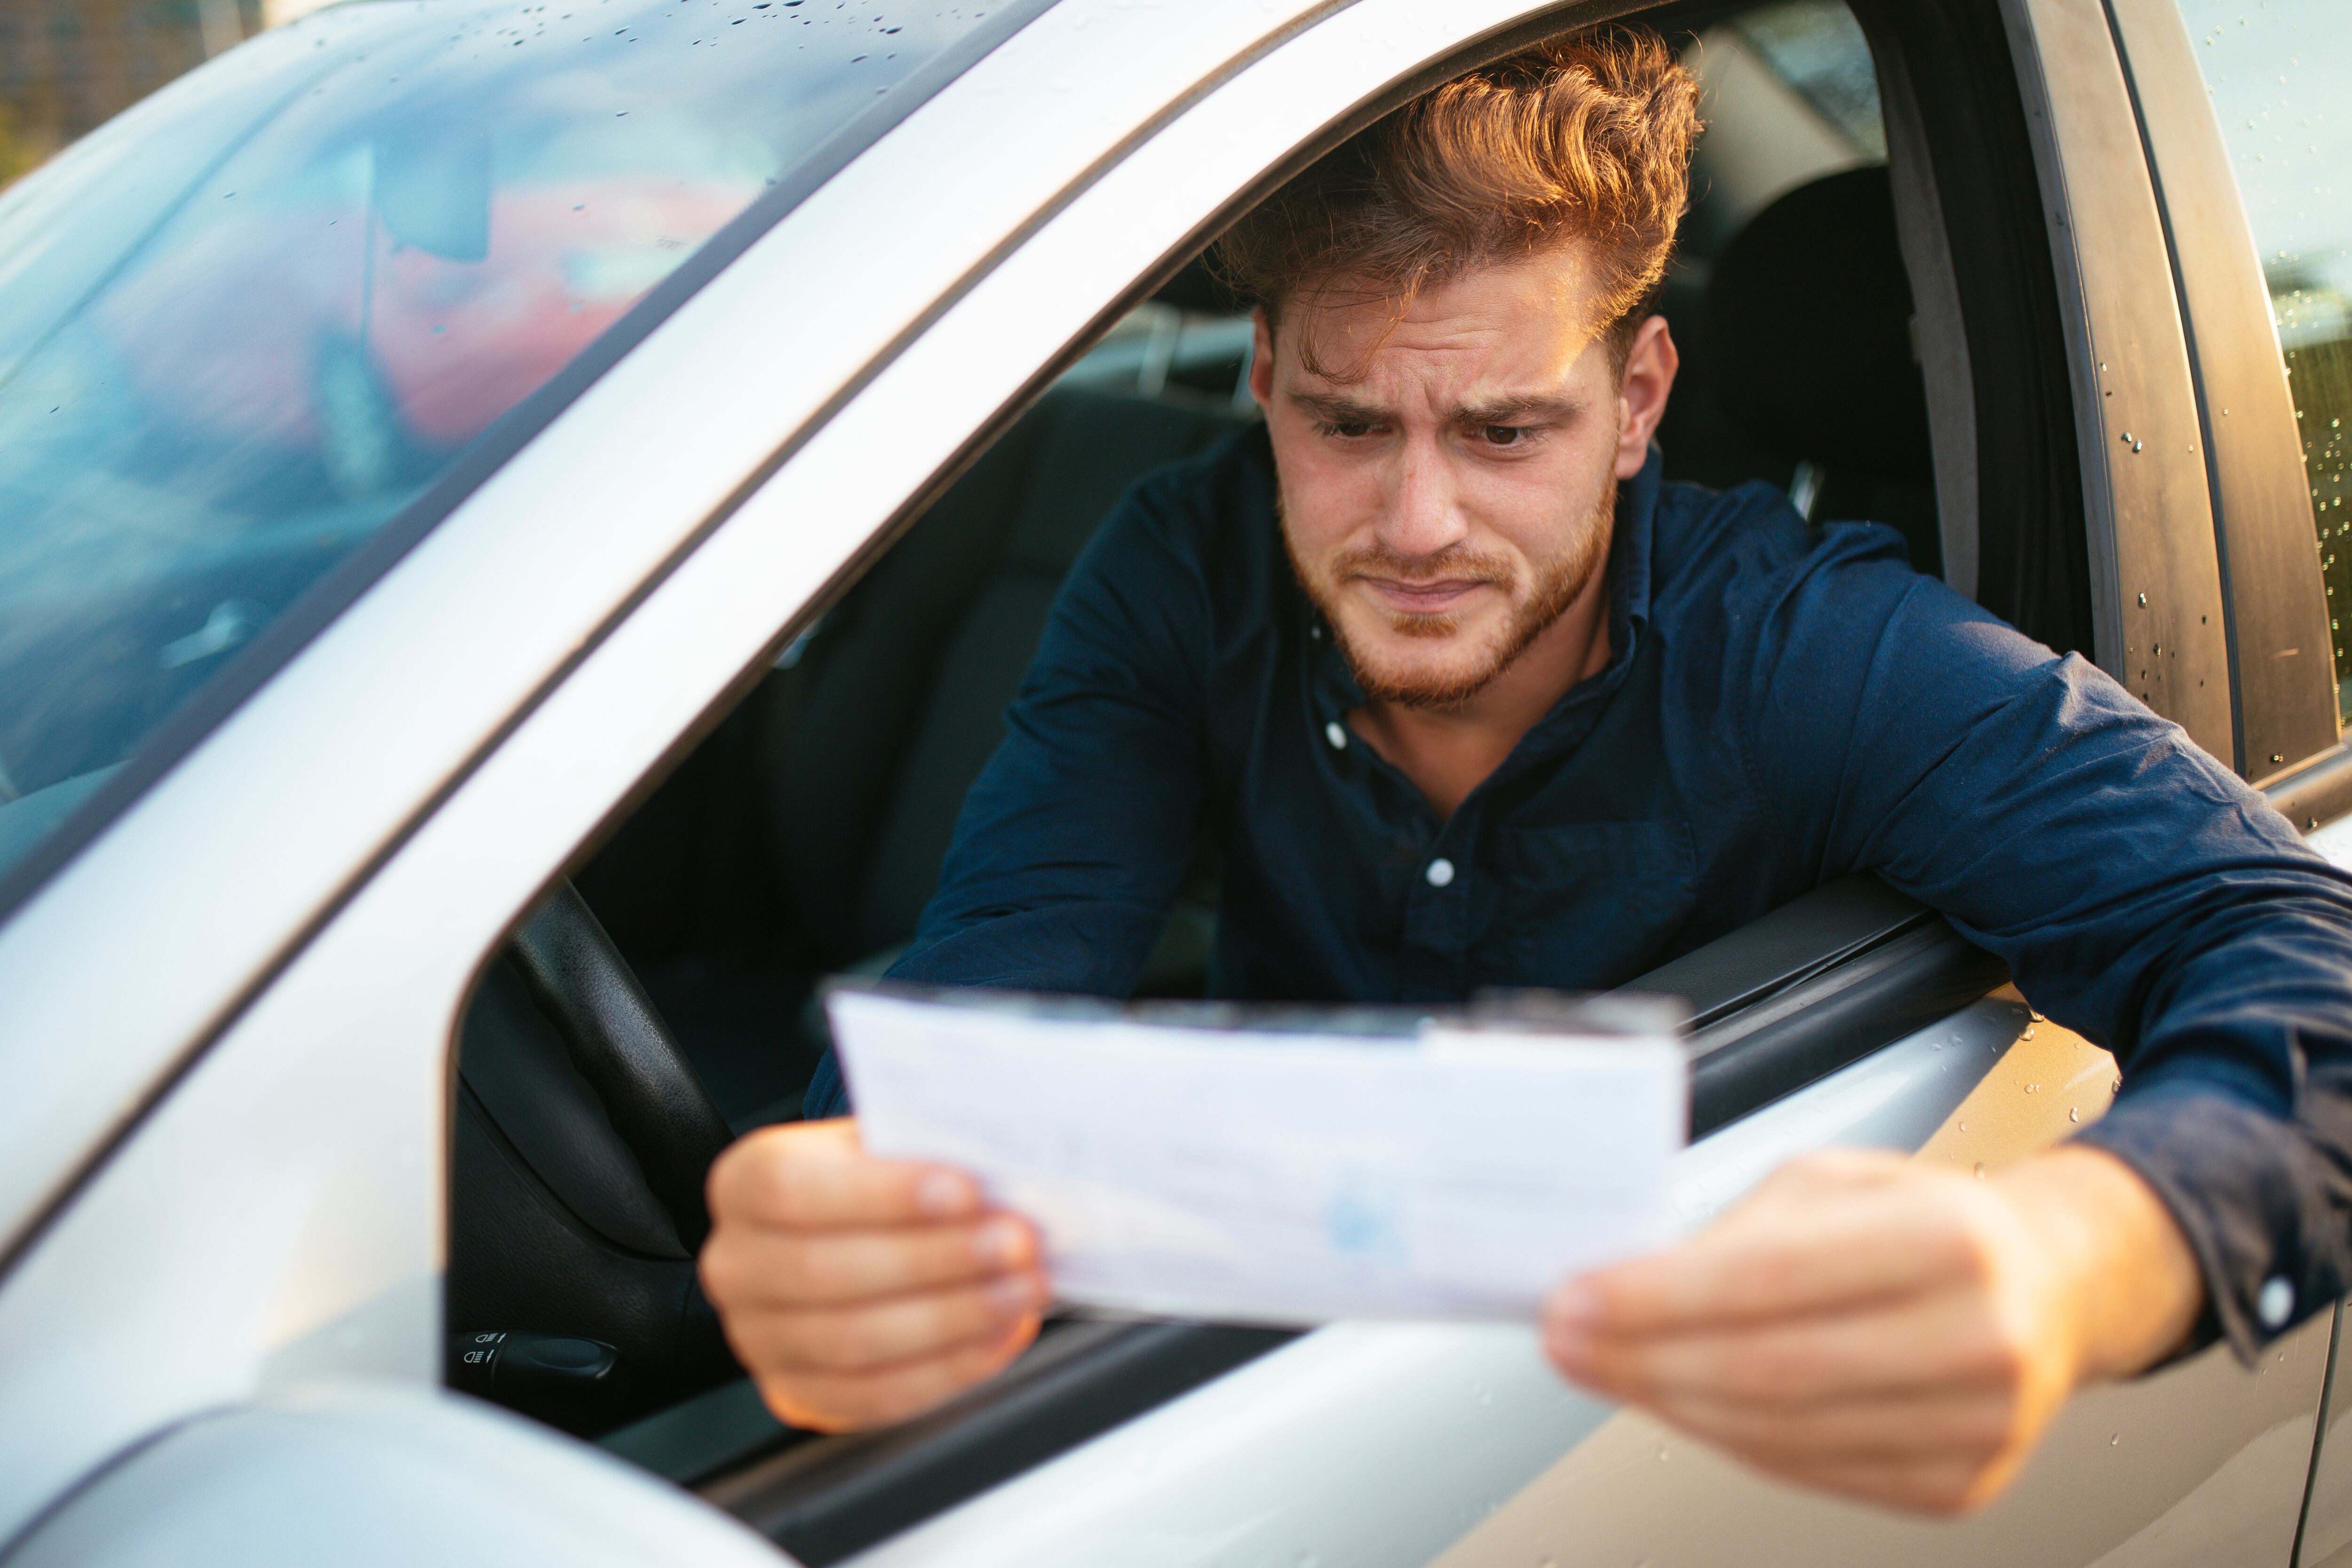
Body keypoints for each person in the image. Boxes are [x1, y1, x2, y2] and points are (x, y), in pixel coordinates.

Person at [695, 30, 2352, 1513]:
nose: (1417, 529)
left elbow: (2311, 964)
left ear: (1636, 402)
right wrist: (855, 1237)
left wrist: (2073, 1257)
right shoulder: (1181, 572)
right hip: (1246, 1431)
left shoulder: (1808, 648)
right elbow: (996, 989)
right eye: (1349, 427)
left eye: (1503, 433)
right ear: (1262, 379)